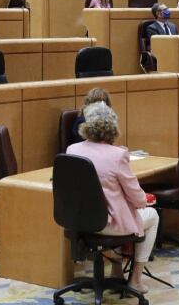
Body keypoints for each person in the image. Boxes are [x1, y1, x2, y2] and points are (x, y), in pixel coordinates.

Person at [66, 102, 159, 294]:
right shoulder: (118, 156)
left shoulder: (72, 150)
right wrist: (145, 201)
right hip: (108, 225)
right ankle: (135, 280)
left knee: (125, 212)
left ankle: (117, 271)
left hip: (78, 221)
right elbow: (138, 198)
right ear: (112, 129)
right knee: (151, 215)